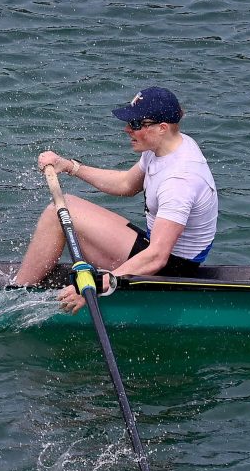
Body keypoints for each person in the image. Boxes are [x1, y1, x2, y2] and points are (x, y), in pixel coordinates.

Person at [13, 86, 217, 313]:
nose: (127, 129)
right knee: (67, 213)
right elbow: (126, 185)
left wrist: (99, 284)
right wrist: (70, 166)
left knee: (58, 214)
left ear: (162, 128)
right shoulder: (165, 146)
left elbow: (158, 256)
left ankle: (17, 293)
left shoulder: (180, 180)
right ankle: (28, 285)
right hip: (157, 250)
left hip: (170, 270)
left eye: (137, 124)